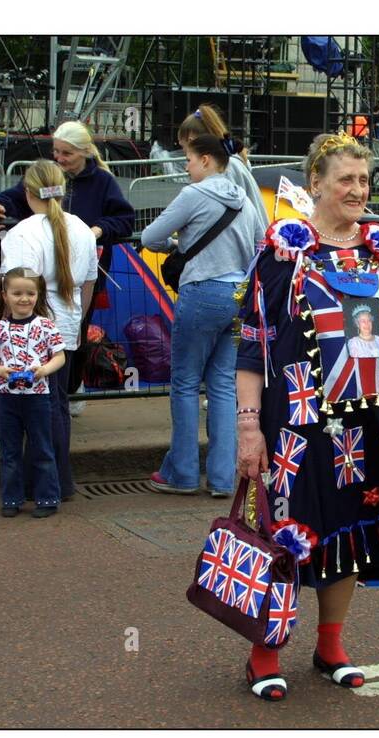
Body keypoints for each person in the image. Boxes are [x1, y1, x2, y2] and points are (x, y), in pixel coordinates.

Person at [235, 132, 379, 701]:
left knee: (352, 528)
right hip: (297, 422)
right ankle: (264, 651)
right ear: (315, 184)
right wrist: (248, 426)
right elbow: (252, 344)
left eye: (364, 180)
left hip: (371, 421)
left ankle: (330, 646)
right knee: (284, 531)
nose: (356, 190)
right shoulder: (284, 253)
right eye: (345, 179)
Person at [0, 121, 135, 412]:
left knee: (72, 339)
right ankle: (51, 402)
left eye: (66, 154)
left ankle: (66, 391)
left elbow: (125, 218)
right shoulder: (47, 181)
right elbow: (19, 194)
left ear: (85, 152)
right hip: (63, 283)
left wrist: (98, 230)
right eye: (56, 152)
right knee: (52, 341)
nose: (59, 159)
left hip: (79, 275)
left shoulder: (102, 182)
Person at [142, 133, 261, 497]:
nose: (186, 166)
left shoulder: (194, 195)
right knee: (224, 385)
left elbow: (150, 236)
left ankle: (182, 472)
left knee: (185, 383)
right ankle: (224, 477)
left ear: (207, 161)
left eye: (190, 160)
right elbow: (261, 243)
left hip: (201, 291)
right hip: (237, 295)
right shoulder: (243, 197)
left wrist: (178, 246)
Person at [0, 160, 99, 501]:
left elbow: (18, 291)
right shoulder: (83, 229)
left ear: (27, 193)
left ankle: (43, 483)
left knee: (34, 409)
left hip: (31, 331)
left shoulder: (21, 233)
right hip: (67, 324)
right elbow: (88, 284)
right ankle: (57, 480)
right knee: (55, 405)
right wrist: (77, 324)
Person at [0, 268, 67, 518]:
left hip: (38, 397)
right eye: (17, 293)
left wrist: (43, 370)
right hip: (7, 398)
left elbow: (59, 356)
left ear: (38, 295)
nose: (24, 298)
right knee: (9, 450)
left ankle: (48, 498)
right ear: (5, 295)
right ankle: (11, 499)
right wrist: (0, 370)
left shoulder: (46, 326)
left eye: (30, 293)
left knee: (42, 447)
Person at [177, 104, 269, 237]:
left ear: (191, 142)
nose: (185, 155)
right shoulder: (231, 162)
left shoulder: (226, 168)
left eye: (183, 147)